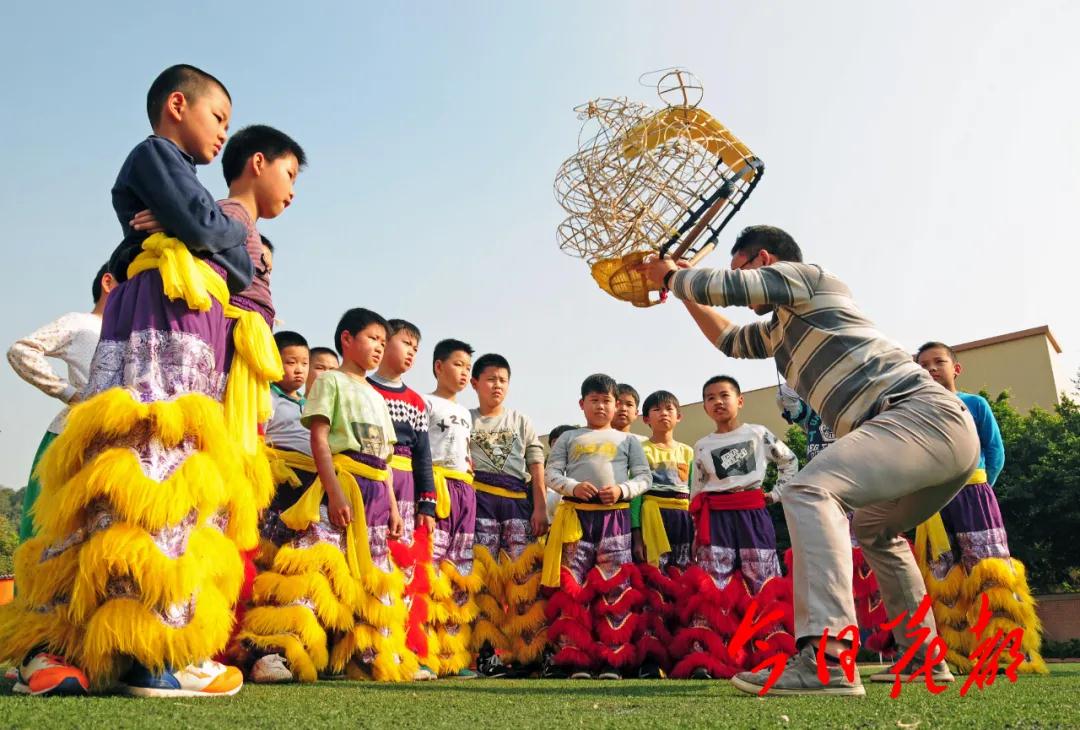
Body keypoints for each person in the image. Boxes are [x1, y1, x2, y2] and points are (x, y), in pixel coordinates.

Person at [0, 63, 282, 698]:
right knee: (133, 467)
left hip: (193, 332)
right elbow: (214, 232)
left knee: (178, 480)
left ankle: (152, 641)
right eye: (218, 118)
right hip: (157, 325)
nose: (222, 133)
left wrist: (205, 228)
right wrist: (211, 228)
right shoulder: (154, 155)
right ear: (178, 105)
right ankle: (61, 646)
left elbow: (240, 267)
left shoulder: (187, 184)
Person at [639, 224, 979, 696]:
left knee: (807, 490)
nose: (743, 282)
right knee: (874, 530)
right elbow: (730, 340)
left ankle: (828, 658)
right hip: (930, 437)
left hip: (918, 416)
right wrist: (681, 292)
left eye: (742, 268)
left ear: (763, 260)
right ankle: (923, 658)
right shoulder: (781, 328)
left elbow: (730, 288)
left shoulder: (808, 278)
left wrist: (672, 276)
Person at [240, 308, 415, 683]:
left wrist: (394, 508)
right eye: (372, 338)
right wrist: (334, 493)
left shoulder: (376, 395)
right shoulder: (329, 382)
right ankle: (277, 653)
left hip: (376, 494)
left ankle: (368, 658)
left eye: (383, 342)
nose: (379, 347)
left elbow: (385, 459)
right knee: (313, 570)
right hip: (341, 482)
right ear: (347, 339)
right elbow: (319, 439)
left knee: (374, 577)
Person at [911, 342, 1045, 675]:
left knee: (989, 571)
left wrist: (982, 489)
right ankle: (956, 654)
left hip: (974, 494)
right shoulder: (913, 412)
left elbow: (995, 451)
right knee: (943, 575)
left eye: (938, 362)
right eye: (923, 365)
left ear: (956, 368)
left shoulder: (975, 404)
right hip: (932, 501)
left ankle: (1006, 652)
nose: (931, 369)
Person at [670, 376, 796, 679]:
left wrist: (776, 494)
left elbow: (789, 462)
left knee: (763, 580)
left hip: (753, 514)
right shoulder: (702, 445)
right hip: (715, 519)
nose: (718, 402)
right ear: (704, 407)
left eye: (724, 395)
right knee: (714, 585)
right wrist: (696, 531)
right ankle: (708, 658)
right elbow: (697, 491)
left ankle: (773, 655)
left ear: (739, 401)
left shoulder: (758, 433)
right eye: (710, 397)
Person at [543, 373, 651, 680]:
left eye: (606, 401)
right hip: (575, 519)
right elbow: (551, 473)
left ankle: (612, 660)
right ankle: (575, 660)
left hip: (615, 520)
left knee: (615, 587)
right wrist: (573, 487)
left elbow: (644, 477)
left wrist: (621, 490)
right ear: (582, 404)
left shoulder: (629, 440)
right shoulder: (569, 438)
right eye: (594, 400)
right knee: (574, 587)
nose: (601, 406)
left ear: (616, 405)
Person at [776, 384, 895, 657]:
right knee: (826, 562)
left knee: (870, 568)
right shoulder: (812, 415)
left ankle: (889, 641)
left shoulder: (861, 408)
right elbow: (786, 396)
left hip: (860, 491)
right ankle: (831, 644)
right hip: (823, 494)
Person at [7, 264, 115, 542]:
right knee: (55, 534)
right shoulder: (81, 324)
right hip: (70, 441)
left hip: (116, 447)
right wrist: (69, 393)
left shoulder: (136, 334)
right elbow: (21, 351)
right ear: (108, 282)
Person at [469, 353, 548, 677]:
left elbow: (536, 465)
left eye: (503, 380)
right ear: (475, 383)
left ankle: (532, 653)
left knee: (525, 578)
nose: (497, 385)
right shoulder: (465, 419)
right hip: (480, 502)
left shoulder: (520, 420)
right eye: (490, 379)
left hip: (517, 502)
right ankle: (487, 654)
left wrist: (540, 506)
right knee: (484, 579)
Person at [368, 319, 438, 679]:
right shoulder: (364, 389)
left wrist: (428, 503)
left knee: (406, 567)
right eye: (405, 343)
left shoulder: (416, 401)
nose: (411, 352)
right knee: (373, 560)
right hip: (372, 479)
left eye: (416, 348)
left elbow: (424, 456)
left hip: (407, 484)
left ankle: (403, 649)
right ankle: (370, 649)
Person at [423, 339, 480, 678]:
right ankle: (424, 654)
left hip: (464, 491)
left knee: (459, 571)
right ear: (438, 366)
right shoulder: (425, 402)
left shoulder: (466, 414)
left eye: (468, 368)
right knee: (432, 569)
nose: (463, 373)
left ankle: (453, 657)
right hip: (437, 488)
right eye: (458, 365)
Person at [629, 390, 695, 678]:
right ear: (646, 419)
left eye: (669, 408)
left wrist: (697, 529)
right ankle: (651, 657)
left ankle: (684, 655)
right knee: (653, 585)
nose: (663, 413)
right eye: (656, 410)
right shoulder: (640, 449)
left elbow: (695, 492)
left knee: (683, 583)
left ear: (679, 416)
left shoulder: (688, 452)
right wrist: (636, 533)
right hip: (652, 518)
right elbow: (636, 496)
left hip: (683, 518)